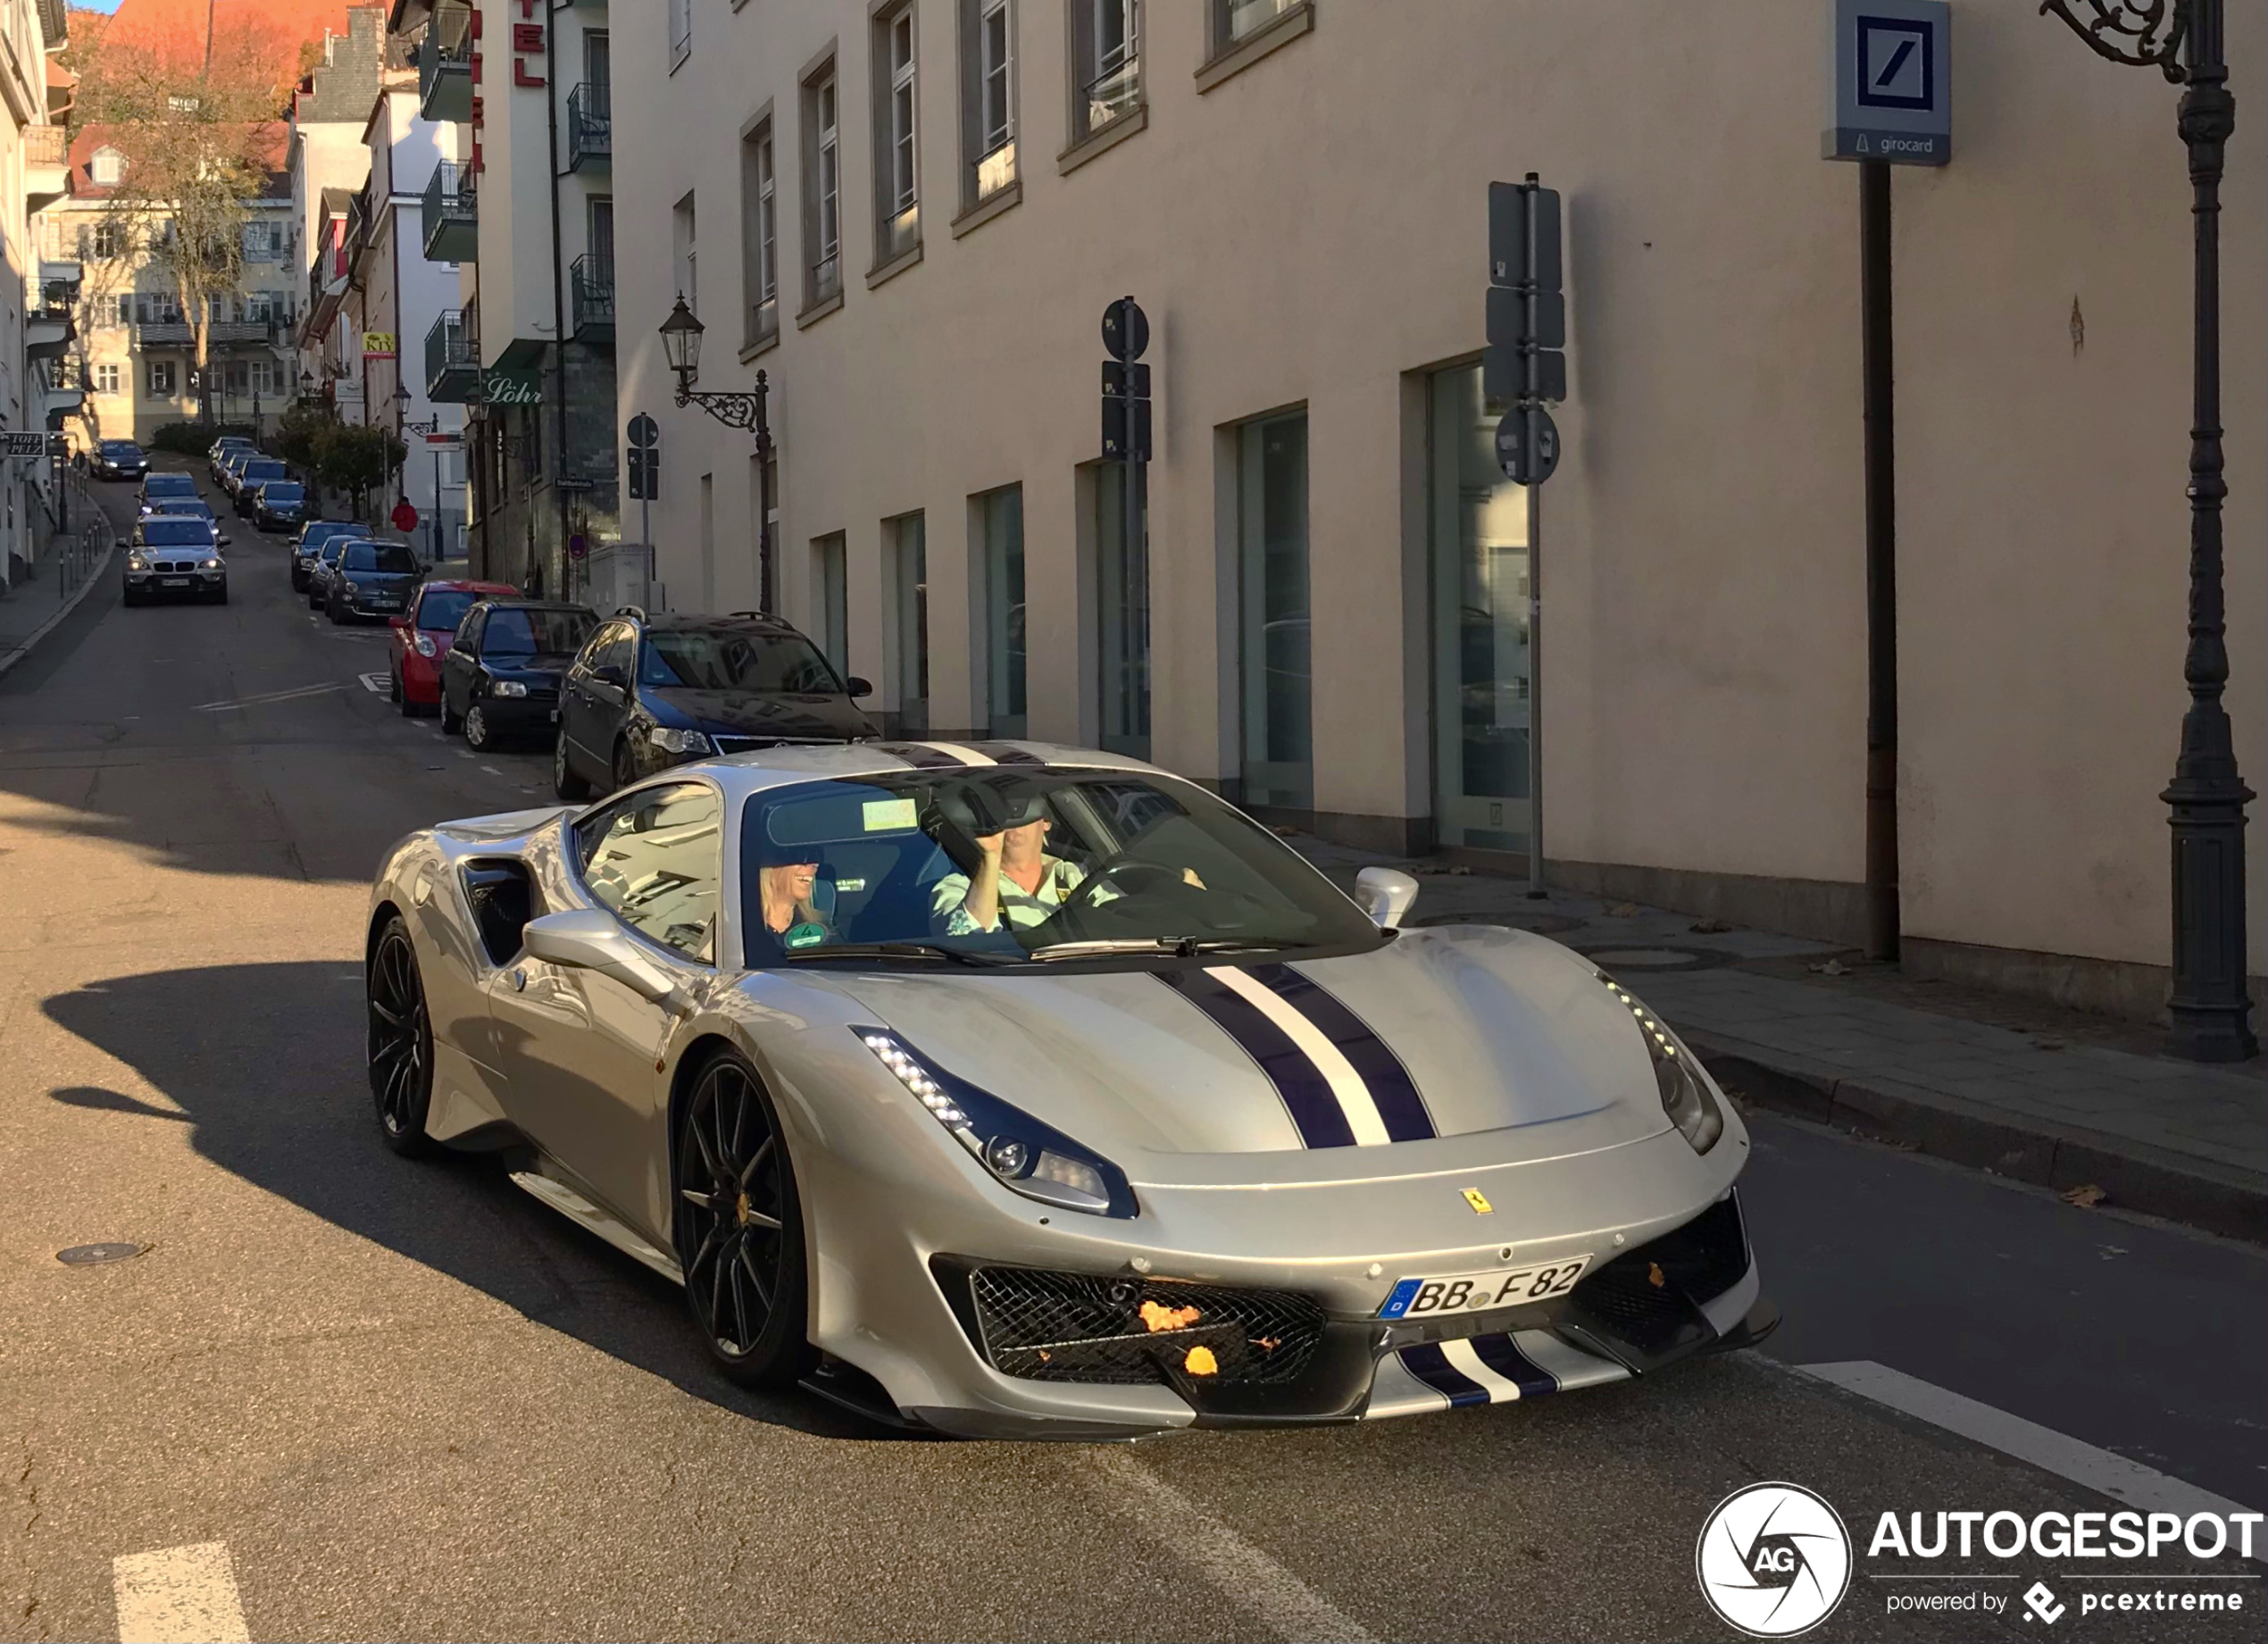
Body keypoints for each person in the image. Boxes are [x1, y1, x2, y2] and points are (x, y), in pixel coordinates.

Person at [931, 811, 1086, 936]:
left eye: (1021, 807)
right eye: (998, 811)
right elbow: (962, 938)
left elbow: (1110, 922)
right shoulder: (958, 888)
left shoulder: (1075, 876)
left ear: (1046, 820)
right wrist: (991, 854)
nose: (1011, 819)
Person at [758, 858, 832, 949]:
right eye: (801, 857)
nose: (815, 865)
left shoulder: (822, 932)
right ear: (770, 868)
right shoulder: (741, 928)